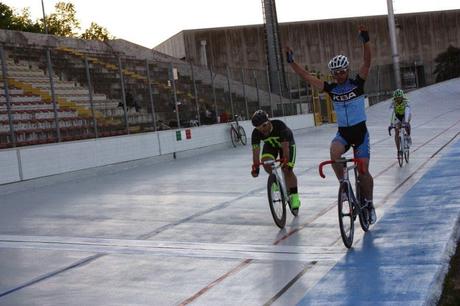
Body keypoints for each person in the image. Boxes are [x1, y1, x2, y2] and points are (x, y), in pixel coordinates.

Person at [285, 25, 376, 224]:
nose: (339, 76)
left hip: (361, 134)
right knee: (334, 153)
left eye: (342, 72)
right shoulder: (331, 88)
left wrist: (366, 41)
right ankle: (344, 185)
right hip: (343, 134)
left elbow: (367, 62)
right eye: (335, 73)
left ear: (347, 70)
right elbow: (307, 77)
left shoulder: (357, 83)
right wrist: (292, 62)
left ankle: (368, 203)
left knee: (363, 172)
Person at [250, 110, 301, 212]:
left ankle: (295, 196)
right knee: (265, 162)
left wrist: (286, 162)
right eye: (259, 128)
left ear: (268, 121)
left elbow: (285, 149)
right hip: (271, 146)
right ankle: (275, 180)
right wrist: (256, 168)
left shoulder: (279, 126)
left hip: (287, 144)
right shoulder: (256, 134)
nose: (262, 130)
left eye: (264, 125)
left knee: (287, 170)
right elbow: (256, 152)